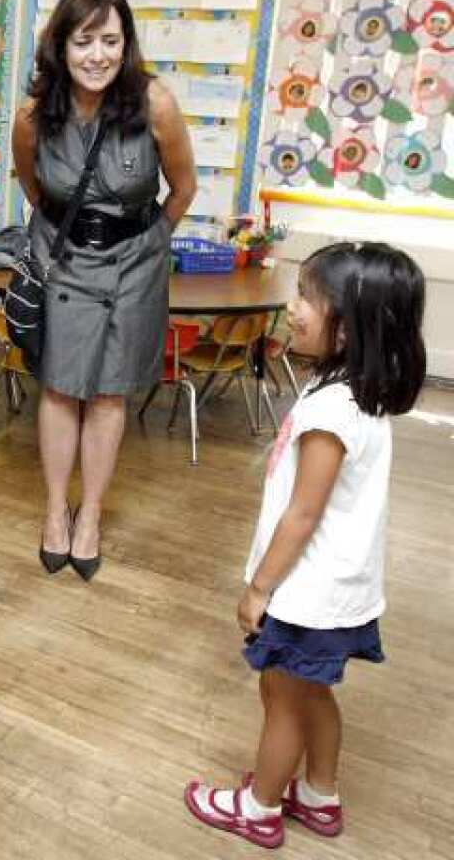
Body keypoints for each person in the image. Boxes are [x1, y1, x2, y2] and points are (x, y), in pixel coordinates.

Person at [185, 242, 426, 849]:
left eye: (307, 300)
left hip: (307, 592)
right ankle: (318, 795)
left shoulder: (335, 413)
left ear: (347, 329)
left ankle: (258, 806)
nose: (291, 309)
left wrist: (260, 586)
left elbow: (303, 511)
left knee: (282, 697)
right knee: (312, 691)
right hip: (340, 590)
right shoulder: (357, 392)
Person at [12, 0, 195, 581]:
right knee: (62, 388)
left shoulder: (155, 103)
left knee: (110, 392)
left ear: (127, 44)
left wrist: (146, 244)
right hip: (67, 259)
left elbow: (183, 188)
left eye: (110, 41)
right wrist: (76, 232)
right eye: (83, 41)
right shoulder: (35, 115)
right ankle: (53, 512)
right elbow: (33, 189)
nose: (97, 55)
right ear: (61, 47)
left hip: (135, 263)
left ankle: (90, 515)